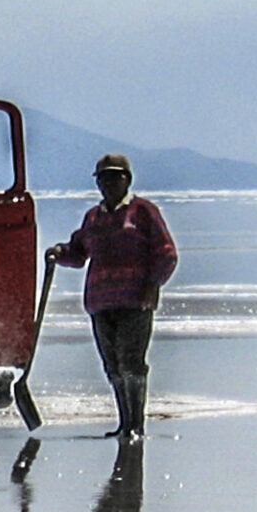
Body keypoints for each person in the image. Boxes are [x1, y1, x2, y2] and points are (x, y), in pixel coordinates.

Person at [48, 154, 178, 440]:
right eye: (104, 178)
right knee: (113, 366)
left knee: (132, 364)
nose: (109, 183)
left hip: (135, 302)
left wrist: (153, 283)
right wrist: (59, 253)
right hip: (100, 302)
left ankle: (136, 426)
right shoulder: (93, 217)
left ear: (127, 180)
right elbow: (78, 253)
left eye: (115, 177)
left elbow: (167, 253)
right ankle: (124, 424)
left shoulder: (143, 212)